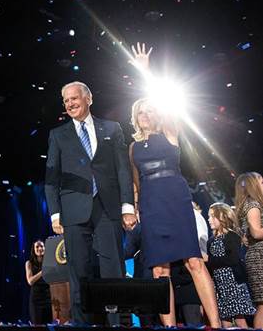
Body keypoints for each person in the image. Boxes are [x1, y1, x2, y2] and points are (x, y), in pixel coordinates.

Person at [128, 42, 220, 327]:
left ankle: (215, 325)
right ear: (135, 117)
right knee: (159, 270)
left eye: (150, 110)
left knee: (194, 261)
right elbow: (135, 182)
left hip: (175, 198)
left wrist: (146, 72)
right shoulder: (132, 147)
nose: (146, 114)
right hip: (151, 205)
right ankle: (168, 327)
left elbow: (165, 103)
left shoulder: (169, 131)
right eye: (141, 112)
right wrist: (136, 208)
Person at [44, 81, 137, 325]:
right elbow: (51, 179)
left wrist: (128, 207)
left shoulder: (112, 128)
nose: (70, 104)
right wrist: (55, 214)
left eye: (74, 98)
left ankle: (116, 323)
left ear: (89, 99)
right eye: (66, 100)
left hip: (108, 207)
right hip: (73, 211)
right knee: (79, 272)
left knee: (112, 269)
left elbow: (123, 170)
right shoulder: (58, 135)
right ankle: (82, 324)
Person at [207, 202, 255, 327]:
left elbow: (232, 259)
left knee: (239, 318)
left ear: (222, 217)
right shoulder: (211, 240)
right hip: (220, 285)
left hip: (233, 283)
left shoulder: (231, 236)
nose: (209, 219)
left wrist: (210, 261)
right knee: (225, 319)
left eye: (212, 216)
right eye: (208, 216)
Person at [235, 172, 263, 328]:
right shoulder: (253, 205)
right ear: (254, 184)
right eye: (262, 181)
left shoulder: (248, 204)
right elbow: (256, 232)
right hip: (260, 258)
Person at [25, 240, 53, 325]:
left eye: (42, 246)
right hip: (36, 299)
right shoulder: (29, 263)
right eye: (37, 246)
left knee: (48, 325)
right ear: (33, 249)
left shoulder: (49, 262)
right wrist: (42, 272)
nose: (40, 248)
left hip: (47, 298)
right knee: (37, 325)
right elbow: (30, 281)